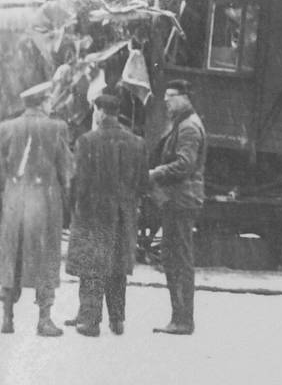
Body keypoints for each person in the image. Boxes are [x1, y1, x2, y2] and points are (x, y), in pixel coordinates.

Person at [65, 93, 149, 337]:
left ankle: (89, 320)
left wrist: (74, 208)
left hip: (93, 214)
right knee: (117, 267)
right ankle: (117, 319)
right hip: (124, 215)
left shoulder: (87, 141)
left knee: (92, 267)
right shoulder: (137, 143)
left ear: (99, 111)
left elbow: (78, 182)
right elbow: (143, 183)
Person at [0, 80, 73, 336]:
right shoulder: (56, 127)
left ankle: (7, 317)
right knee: (46, 257)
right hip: (44, 200)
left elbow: (3, 166)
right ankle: (44, 319)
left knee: (12, 256)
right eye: (49, 99)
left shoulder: (6, 128)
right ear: (43, 102)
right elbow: (65, 168)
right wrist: (66, 190)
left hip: (15, 199)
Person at [150, 79, 206, 335]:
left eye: (171, 97)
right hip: (180, 200)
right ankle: (180, 318)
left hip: (181, 200)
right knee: (174, 258)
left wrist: (155, 173)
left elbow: (184, 165)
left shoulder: (188, 128)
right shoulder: (184, 124)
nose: (167, 103)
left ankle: (182, 320)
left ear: (184, 97)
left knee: (178, 260)